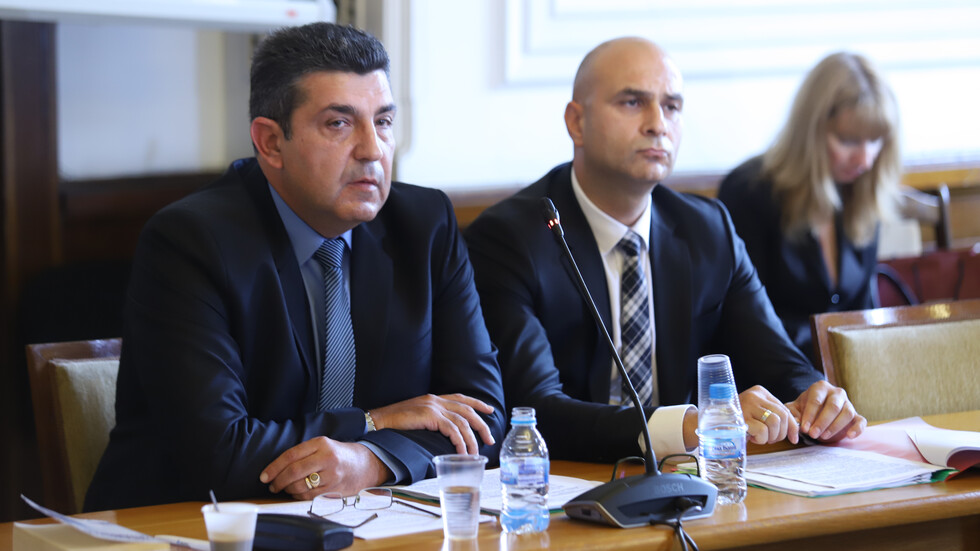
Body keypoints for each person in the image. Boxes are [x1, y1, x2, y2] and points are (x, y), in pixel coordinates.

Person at [85, 22, 505, 511]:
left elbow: (483, 421)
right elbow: (218, 453)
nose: (372, 149)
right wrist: (374, 422)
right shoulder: (189, 242)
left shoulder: (425, 225)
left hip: (365, 523)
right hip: (186, 526)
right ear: (270, 142)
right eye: (339, 124)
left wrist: (372, 461)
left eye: (384, 121)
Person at [465, 37, 864, 464]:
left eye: (672, 106)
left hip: (688, 478)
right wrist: (691, 424)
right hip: (571, 482)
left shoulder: (708, 229)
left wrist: (815, 397)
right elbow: (536, 411)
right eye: (632, 102)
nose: (658, 124)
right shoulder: (510, 239)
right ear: (576, 122)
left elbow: (781, 364)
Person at [718, 52, 900, 367]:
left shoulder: (860, 190)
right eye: (848, 140)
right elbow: (745, 324)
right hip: (773, 381)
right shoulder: (748, 191)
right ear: (810, 132)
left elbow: (863, 312)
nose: (865, 159)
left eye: (875, 140)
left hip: (846, 378)